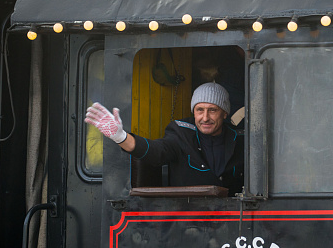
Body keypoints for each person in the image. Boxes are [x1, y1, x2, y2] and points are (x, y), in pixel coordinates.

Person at [85, 82, 244, 196]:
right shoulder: (181, 132)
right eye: (199, 110)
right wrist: (121, 137)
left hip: (233, 219)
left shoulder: (240, 139)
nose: (205, 117)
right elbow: (157, 151)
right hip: (186, 219)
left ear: (225, 113)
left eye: (212, 110)